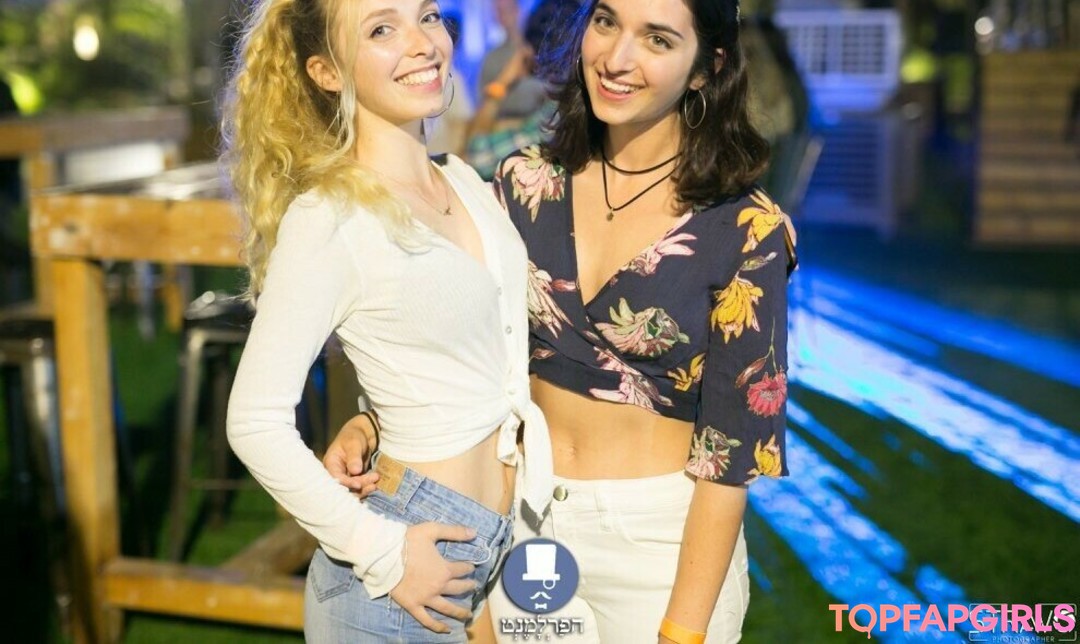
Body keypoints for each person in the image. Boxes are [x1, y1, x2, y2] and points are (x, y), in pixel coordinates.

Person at [327, 0, 797, 641]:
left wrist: (683, 631)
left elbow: (730, 455)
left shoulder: (746, 229)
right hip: (527, 518)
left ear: (705, 68)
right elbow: (458, 335)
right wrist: (373, 421)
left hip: (662, 542)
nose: (618, 58)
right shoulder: (524, 185)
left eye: (657, 40)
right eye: (606, 22)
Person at [221, 0, 552, 641]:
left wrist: (370, 418)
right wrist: (382, 552)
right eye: (381, 29)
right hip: (399, 571)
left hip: (490, 554)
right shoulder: (331, 216)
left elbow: (467, 356)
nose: (422, 42)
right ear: (327, 72)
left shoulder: (464, 182)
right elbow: (254, 422)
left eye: (427, 16)